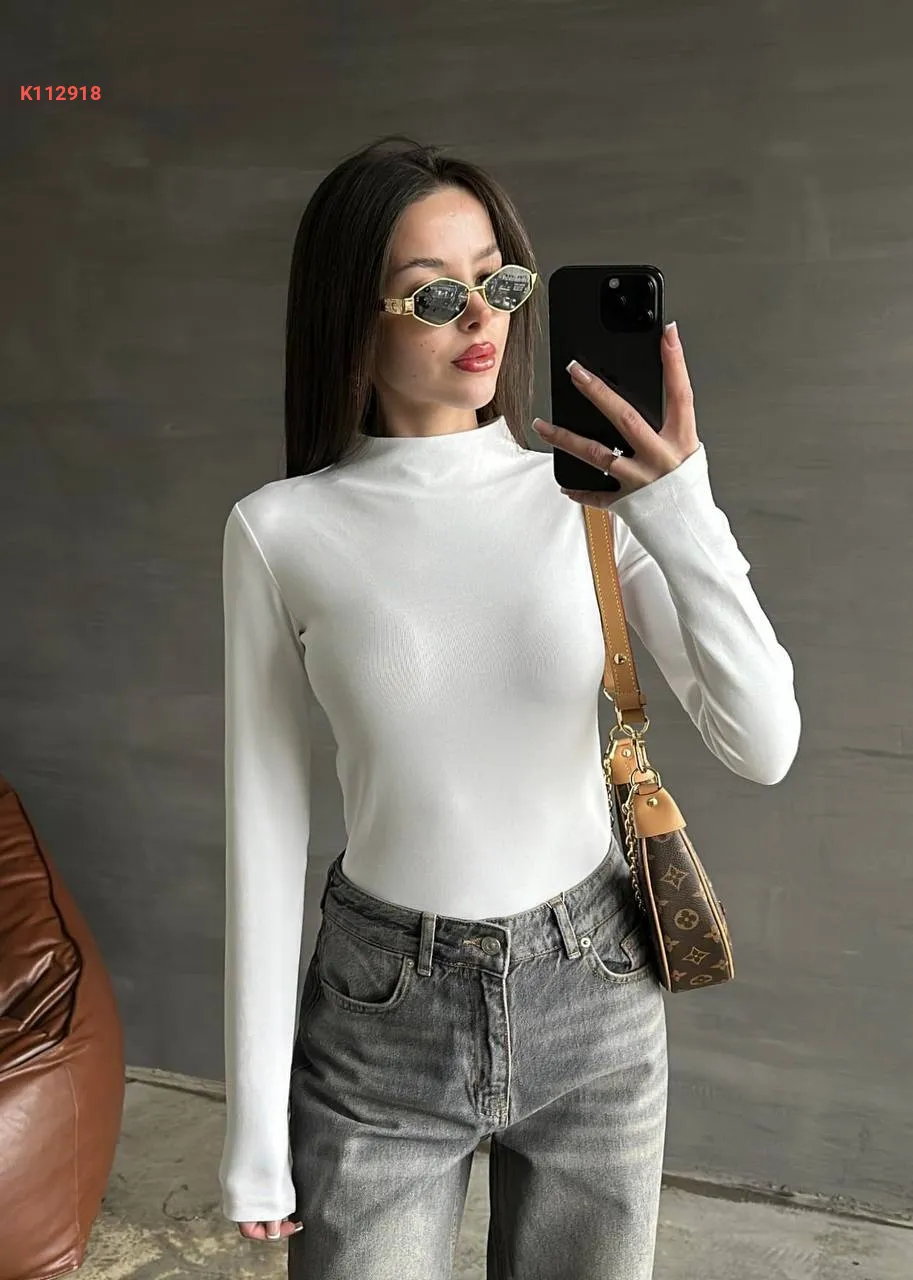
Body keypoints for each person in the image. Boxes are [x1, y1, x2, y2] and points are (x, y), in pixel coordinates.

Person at [219, 134, 801, 1280]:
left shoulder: (590, 500)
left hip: (595, 995)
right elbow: (265, 827)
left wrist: (681, 505)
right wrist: (252, 1131)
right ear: (352, 315)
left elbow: (763, 741)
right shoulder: (279, 531)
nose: (480, 316)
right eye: (434, 293)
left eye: (498, 280)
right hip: (379, 1012)